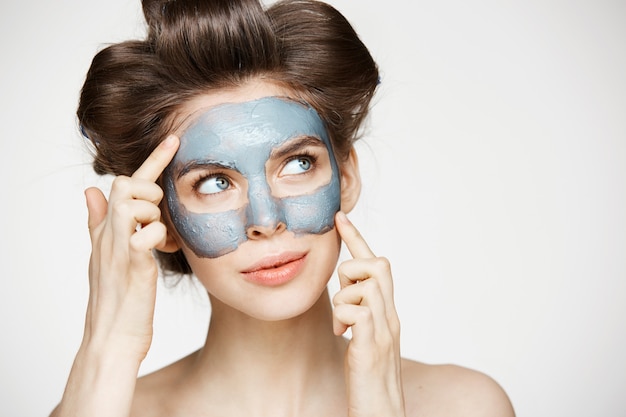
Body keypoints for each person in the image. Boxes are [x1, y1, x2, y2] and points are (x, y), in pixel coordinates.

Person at [51, 0, 515, 416]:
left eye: (297, 164)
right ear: (162, 220)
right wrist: (108, 345)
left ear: (346, 177)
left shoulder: (466, 406)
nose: (265, 220)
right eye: (214, 182)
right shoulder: (100, 406)